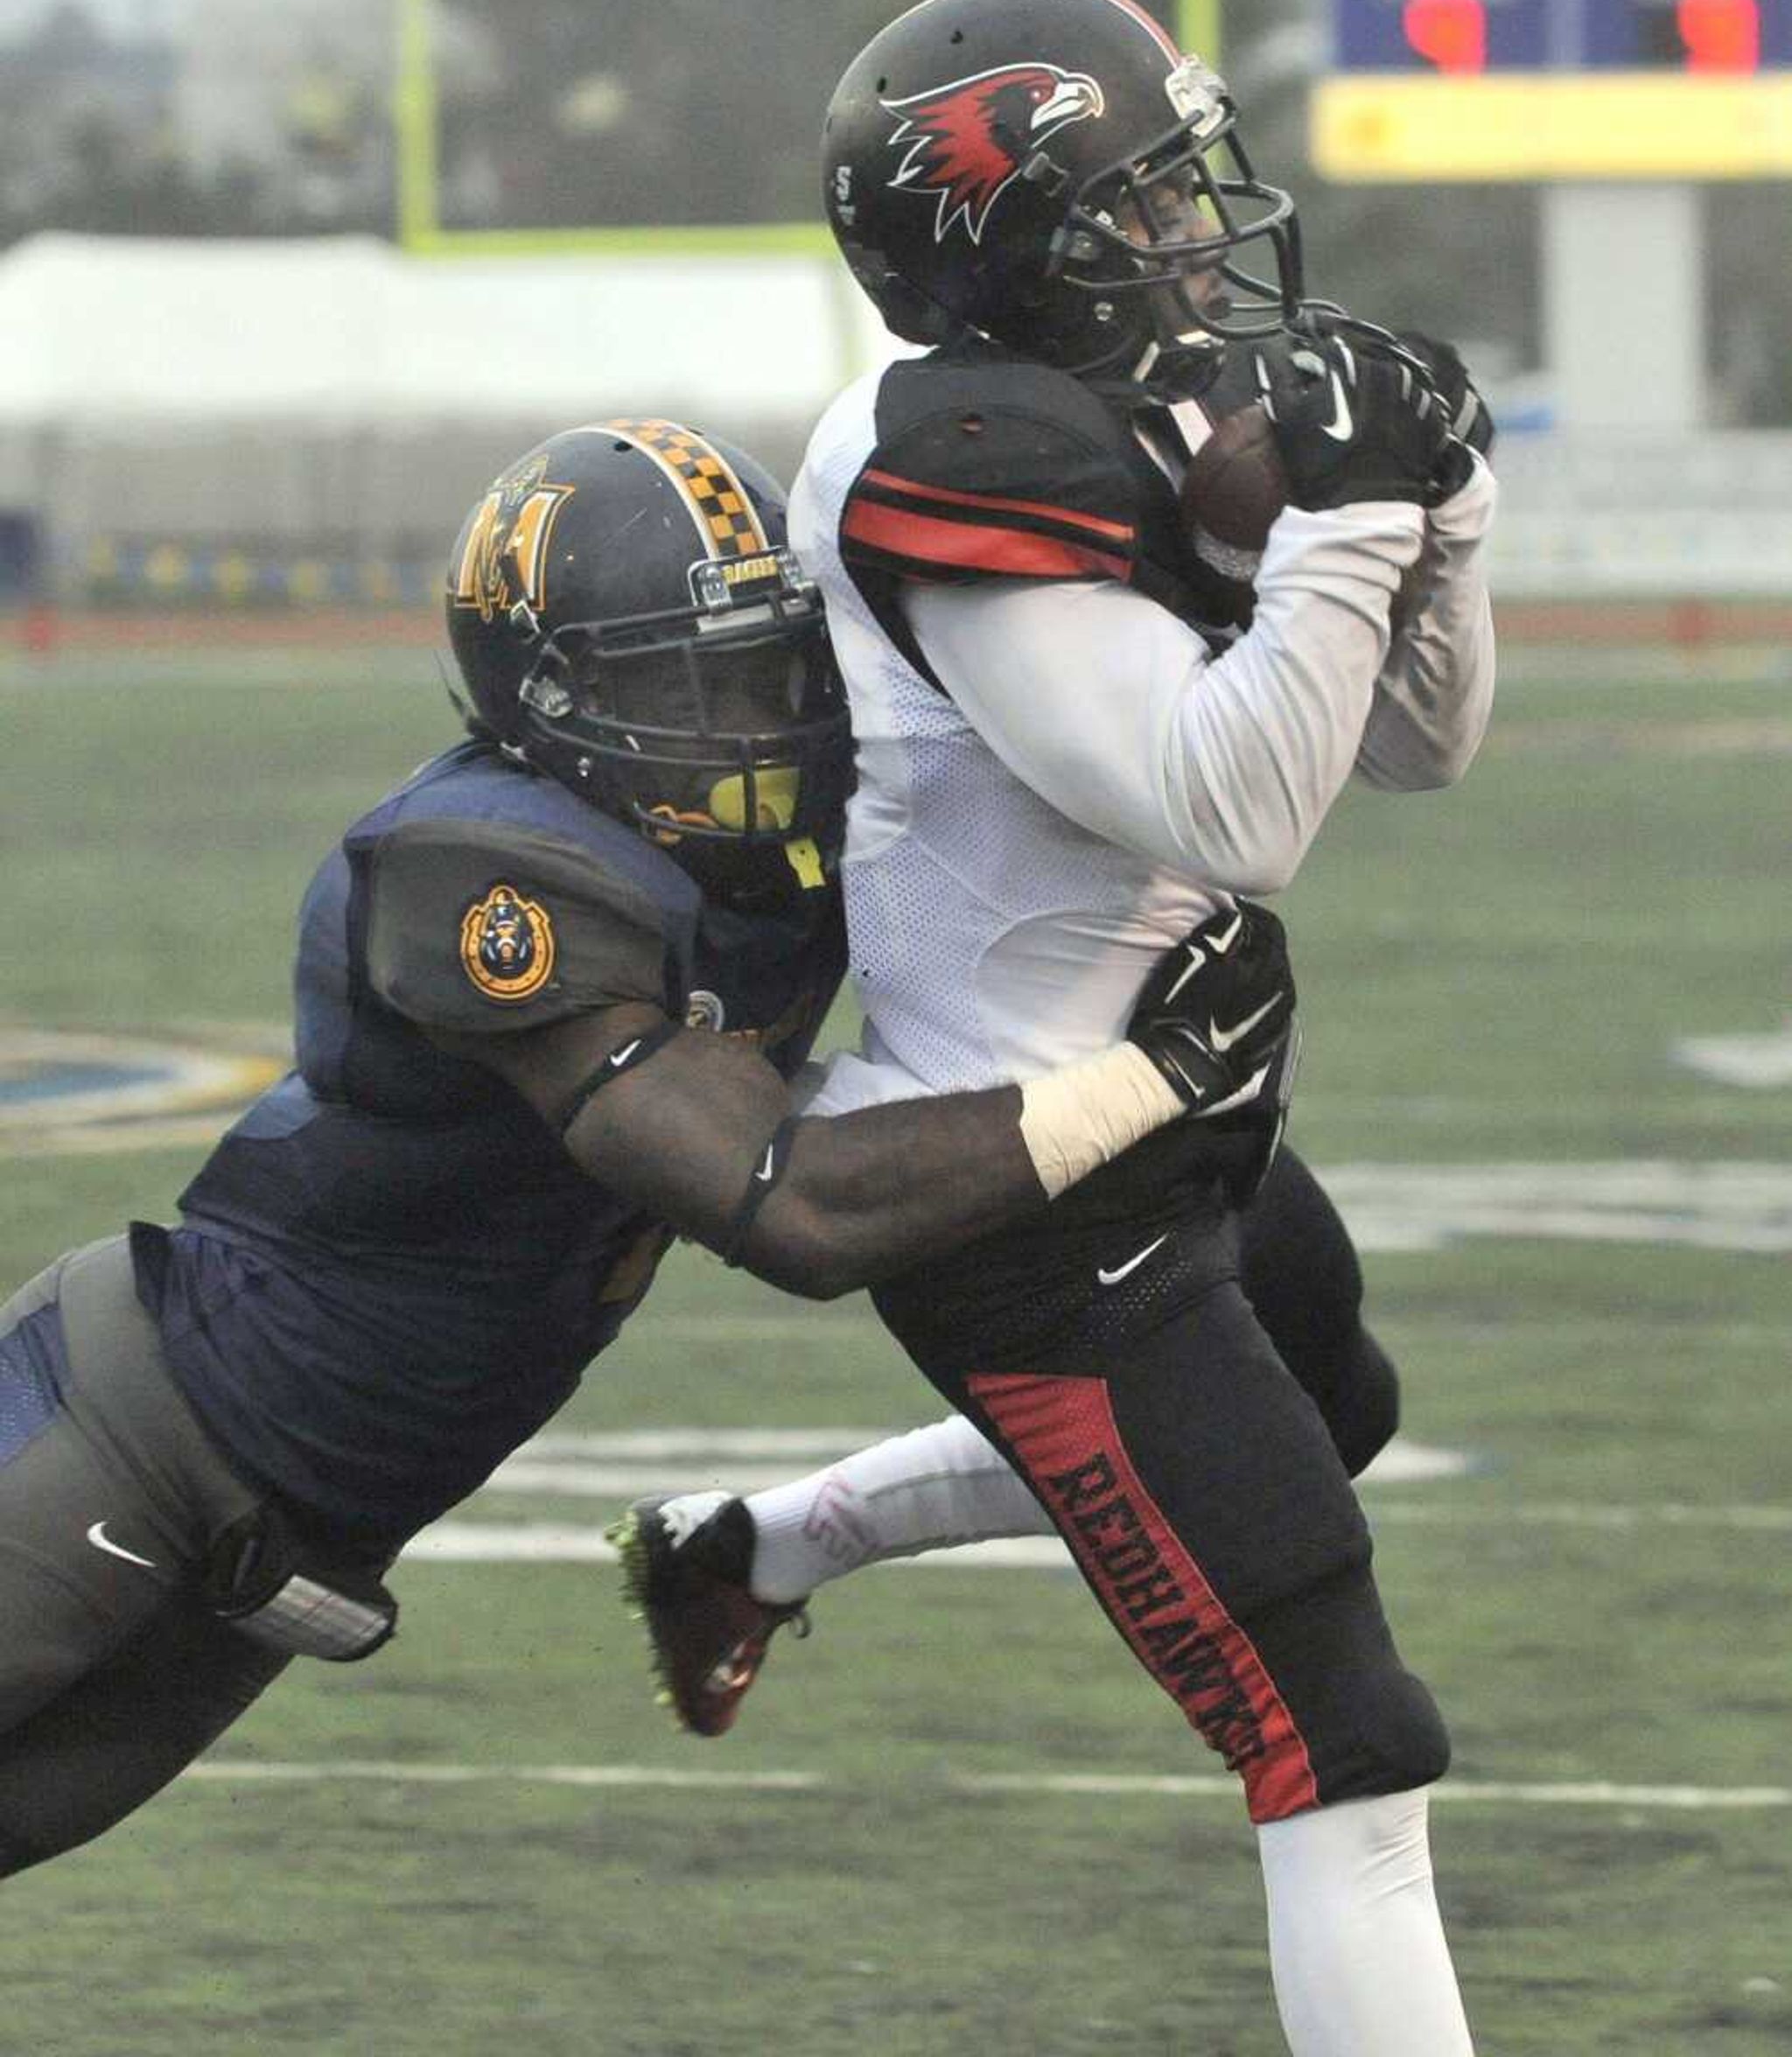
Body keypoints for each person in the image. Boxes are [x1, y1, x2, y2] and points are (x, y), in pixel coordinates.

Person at [0, 412, 1298, 1879]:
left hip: (309, 1527)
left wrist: (1262, 515)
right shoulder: (487, 872)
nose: (757, 725)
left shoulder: (762, 861)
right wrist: (1156, 1076)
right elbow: (788, 1207)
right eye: (696, 685)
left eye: (768, 672)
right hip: (130, 1431)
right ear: (549, 700)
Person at [612, 0, 1496, 2057]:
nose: (1197, 235)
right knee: (1342, 1741)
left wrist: (1444, 522)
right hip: (1015, 1196)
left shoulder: (1125, 409)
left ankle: (748, 1542)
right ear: (1018, 249)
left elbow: (1417, 750)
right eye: (1142, 204)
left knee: (1329, 1407)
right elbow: (1234, 805)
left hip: (1173, 1109)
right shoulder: (958, 458)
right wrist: (1360, 521)